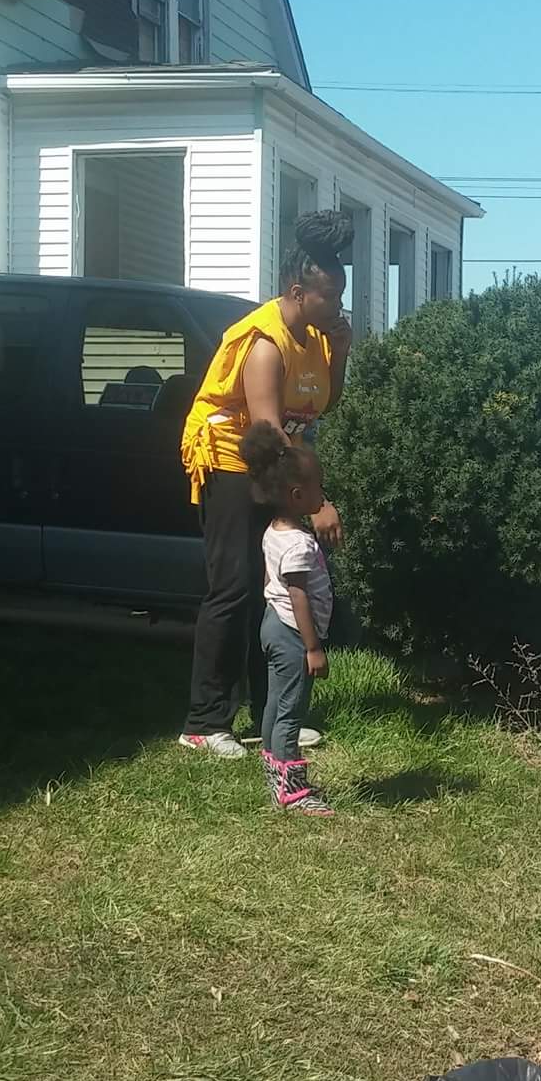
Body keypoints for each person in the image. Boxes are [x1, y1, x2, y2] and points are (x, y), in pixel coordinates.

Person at [178, 210, 353, 758]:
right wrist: (317, 502)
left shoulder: (317, 338)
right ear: (299, 292)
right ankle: (204, 722)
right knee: (234, 587)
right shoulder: (264, 342)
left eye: (342, 295)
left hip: (275, 466)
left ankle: (271, 712)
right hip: (235, 461)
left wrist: (342, 352)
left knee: (275, 590)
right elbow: (269, 434)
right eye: (330, 297)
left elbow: (324, 402)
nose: (338, 306)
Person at [240, 423, 335, 815]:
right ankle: (291, 791)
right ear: (298, 496)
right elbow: (298, 596)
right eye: (318, 488)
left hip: (272, 623)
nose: (322, 495)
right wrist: (313, 648)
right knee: (290, 710)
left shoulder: (274, 532)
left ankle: (274, 776)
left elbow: (270, 579)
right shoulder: (297, 542)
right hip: (294, 633)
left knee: (275, 705)